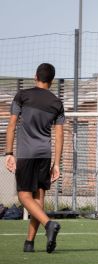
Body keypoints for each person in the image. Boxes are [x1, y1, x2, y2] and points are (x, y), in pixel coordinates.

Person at [4, 63, 65, 253]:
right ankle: (29, 243)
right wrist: (56, 163)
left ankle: (49, 224)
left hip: (26, 154)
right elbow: (59, 135)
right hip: (44, 155)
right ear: (52, 81)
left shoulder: (22, 96)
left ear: (35, 76)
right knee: (38, 198)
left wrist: (8, 153)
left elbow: (12, 126)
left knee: (24, 195)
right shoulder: (57, 103)